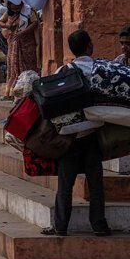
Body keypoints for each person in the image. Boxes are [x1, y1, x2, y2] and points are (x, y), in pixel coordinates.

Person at [42, 30, 111, 237]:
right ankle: (99, 225)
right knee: (95, 182)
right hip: (91, 133)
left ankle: (60, 226)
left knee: (65, 184)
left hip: (68, 136)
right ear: (89, 46)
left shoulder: (63, 70)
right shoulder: (99, 69)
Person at [0, 1, 40, 97]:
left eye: (17, 8)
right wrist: (6, 26)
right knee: (13, 69)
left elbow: (35, 23)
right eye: (13, 9)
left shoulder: (28, 10)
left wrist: (23, 32)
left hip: (27, 45)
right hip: (13, 45)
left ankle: (28, 92)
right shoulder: (9, 13)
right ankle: (12, 92)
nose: (16, 10)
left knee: (28, 68)